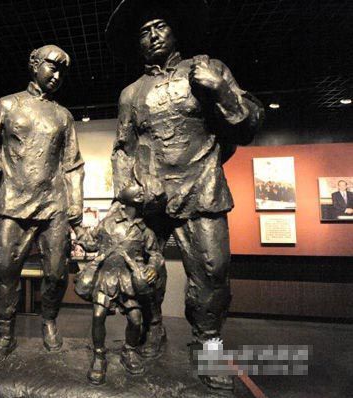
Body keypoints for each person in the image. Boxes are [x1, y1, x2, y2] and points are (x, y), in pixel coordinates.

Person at [106, 0, 264, 390]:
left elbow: (248, 125)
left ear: (175, 30)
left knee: (212, 271)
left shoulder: (206, 68)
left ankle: (209, 346)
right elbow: (123, 149)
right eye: (144, 31)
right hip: (150, 197)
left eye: (159, 26)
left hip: (201, 188)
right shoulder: (131, 93)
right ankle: (151, 332)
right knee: (144, 273)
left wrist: (223, 89)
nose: (153, 36)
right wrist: (127, 188)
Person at [0, 45, 84, 365]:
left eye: (62, 71)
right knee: (6, 274)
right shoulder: (7, 105)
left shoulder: (63, 116)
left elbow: (73, 164)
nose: (57, 75)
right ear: (33, 65)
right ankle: (5, 335)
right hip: (10, 203)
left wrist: (75, 207)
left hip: (53, 205)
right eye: (52, 67)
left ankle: (49, 323)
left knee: (56, 273)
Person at [74, 183, 164, 385]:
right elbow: (91, 242)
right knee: (98, 316)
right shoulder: (108, 223)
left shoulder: (144, 230)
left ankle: (129, 350)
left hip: (129, 280)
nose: (141, 191)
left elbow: (156, 254)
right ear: (125, 199)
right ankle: (99, 356)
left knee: (135, 319)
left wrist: (153, 267)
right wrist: (78, 231)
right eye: (136, 190)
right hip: (106, 277)